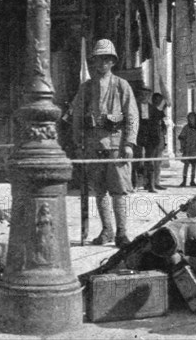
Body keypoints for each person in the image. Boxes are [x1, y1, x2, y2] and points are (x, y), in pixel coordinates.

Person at [71, 39, 139, 248]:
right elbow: (76, 118)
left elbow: (132, 116)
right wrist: (78, 144)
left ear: (112, 62)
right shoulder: (86, 88)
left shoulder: (121, 85)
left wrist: (129, 143)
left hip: (116, 146)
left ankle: (121, 232)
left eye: (106, 59)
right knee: (99, 190)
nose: (101, 63)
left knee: (118, 190)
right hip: (93, 146)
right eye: (98, 59)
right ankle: (107, 230)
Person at [178, 112, 196, 187]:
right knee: (186, 165)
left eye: (192, 118)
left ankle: (192, 181)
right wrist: (182, 147)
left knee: (194, 165)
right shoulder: (186, 127)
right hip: (187, 149)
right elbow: (181, 138)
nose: (191, 119)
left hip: (195, 149)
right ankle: (184, 181)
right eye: (189, 118)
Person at [151, 93, 168, 190]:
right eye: (156, 100)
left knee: (158, 162)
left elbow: (163, 127)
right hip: (152, 140)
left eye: (160, 100)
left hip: (160, 140)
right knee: (151, 163)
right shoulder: (152, 111)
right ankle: (150, 182)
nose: (158, 103)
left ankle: (156, 181)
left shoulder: (161, 113)